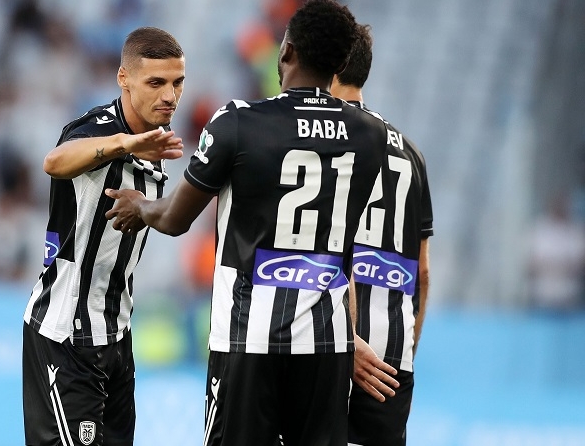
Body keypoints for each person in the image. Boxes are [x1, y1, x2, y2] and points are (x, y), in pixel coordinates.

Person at [105, 2, 386, 444]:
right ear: (339, 65)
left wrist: (140, 205)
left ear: (286, 51)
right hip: (327, 344)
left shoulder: (238, 122)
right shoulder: (371, 134)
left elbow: (175, 219)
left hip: (248, 339)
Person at [22, 27, 185, 446]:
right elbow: (54, 161)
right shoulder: (100, 129)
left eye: (177, 83)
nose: (170, 95)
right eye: (156, 82)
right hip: (67, 337)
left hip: (117, 336)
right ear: (123, 78)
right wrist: (121, 144)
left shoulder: (158, 140)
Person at [330, 24, 434, 446]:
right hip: (393, 359)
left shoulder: (326, 138)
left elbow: (332, 252)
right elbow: (422, 273)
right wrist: (406, 349)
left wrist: (346, 339)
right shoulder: (412, 154)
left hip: (328, 346)